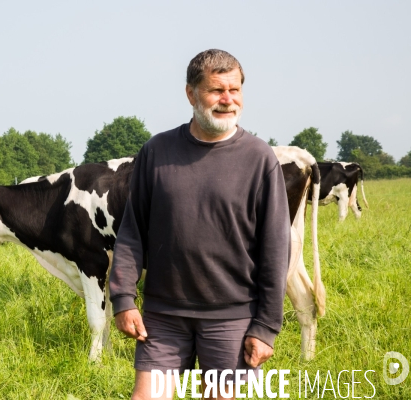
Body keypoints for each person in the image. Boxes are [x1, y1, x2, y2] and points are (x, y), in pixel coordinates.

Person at [109, 49, 291, 400]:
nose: (227, 100)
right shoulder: (157, 152)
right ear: (191, 94)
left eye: (234, 90)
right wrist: (123, 298)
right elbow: (132, 233)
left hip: (232, 318)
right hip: (163, 317)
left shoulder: (259, 159)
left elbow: (275, 248)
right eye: (216, 90)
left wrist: (266, 326)